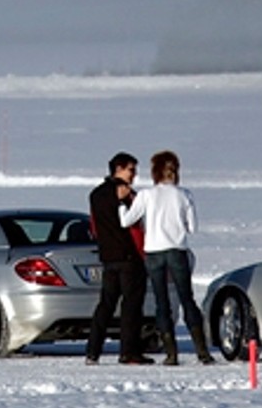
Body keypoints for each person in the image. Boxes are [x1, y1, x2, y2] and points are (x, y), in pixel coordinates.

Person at [120, 150, 214, 365]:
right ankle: (202, 351)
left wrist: (120, 205)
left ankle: (171, 354)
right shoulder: (184, 195)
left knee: (163, 304)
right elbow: (192, 227)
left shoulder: (146, 195)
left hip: (153, 251)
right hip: (177, 250)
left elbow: (126, 221)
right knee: (187, 299)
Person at [85, 151, 150, 365]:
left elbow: (94, 226)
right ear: (119, 169)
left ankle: (92, 351)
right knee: (131, 306)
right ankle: (129, 351)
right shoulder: (126, 194)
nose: (134, 175)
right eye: (131, 170)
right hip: (129, 257)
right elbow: (134, 225)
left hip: (108, 257)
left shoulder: (95, 195)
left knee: (106, 304)